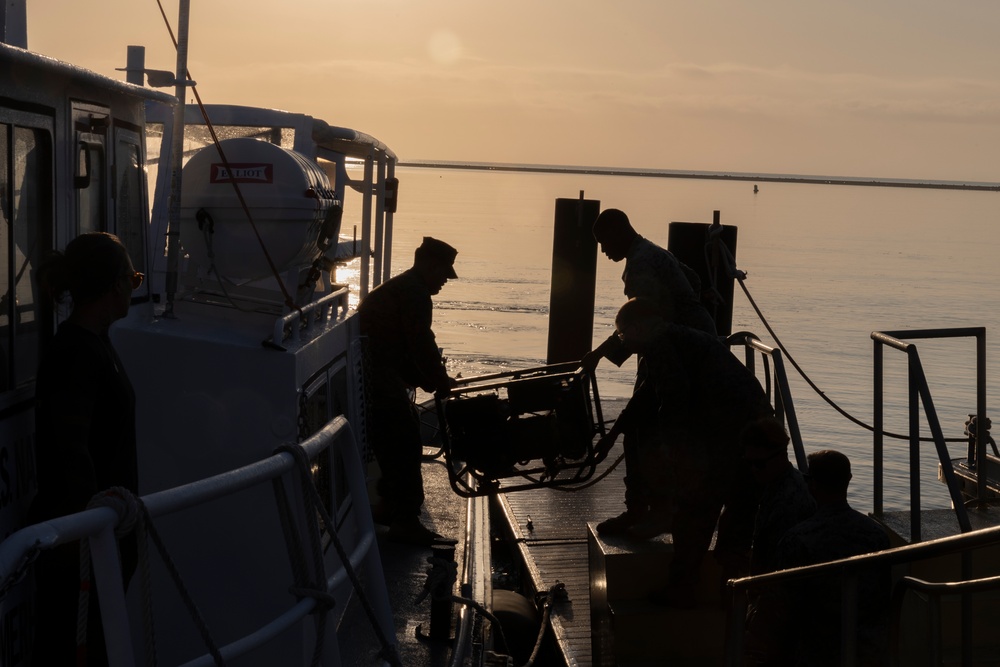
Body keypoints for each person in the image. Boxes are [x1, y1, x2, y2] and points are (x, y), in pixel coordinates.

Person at [596, 297, 772, 607]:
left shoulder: (661, 345)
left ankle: (684, 588)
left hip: (728, 431)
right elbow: (648, 395)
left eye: (622, 334)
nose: (623, 341)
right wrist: (615, 432)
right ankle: (733, 594)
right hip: (756, 425)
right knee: (740, 512)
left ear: (636, 328)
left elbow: (673, 400)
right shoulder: (674, 339)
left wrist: (672, 451)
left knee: (694, 509)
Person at [28, 232, 143, 666]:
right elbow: (71, 450)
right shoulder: (76, 352)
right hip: (85, 547)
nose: (134, 288)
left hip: (100, 538)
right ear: (115, 285)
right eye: (133, 278)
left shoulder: (93, 344)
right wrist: (94, 526)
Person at [581, 208, 716, 539]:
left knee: (643, 427)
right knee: (653, 423)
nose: (603, 251)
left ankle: (648, 509)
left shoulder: (640, 265)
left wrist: (599, 354)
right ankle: (654, 507)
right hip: (695, 338)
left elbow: (640, 320)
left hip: (675, 349)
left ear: (620, 231)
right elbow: (693, 280)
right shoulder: (653, 251)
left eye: (604, 242)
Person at [358, 236, 458, 546]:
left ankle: (392, 505)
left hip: (374, 372)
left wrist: (431, 379)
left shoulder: (404, 287)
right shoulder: (415, 293)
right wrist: (440, 381)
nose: (445, 281)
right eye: (443, 273)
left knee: (399, 436)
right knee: (404, 439)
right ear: (430, 265)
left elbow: (407, 347)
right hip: (378, 375)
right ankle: (405, 519)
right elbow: (420, 344)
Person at [754, 450, 891, 666]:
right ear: (849, 480)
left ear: (812, 485)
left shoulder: (798, 539)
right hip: (865, 646)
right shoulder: (877, 536)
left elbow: (778, 605)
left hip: (813, 650)